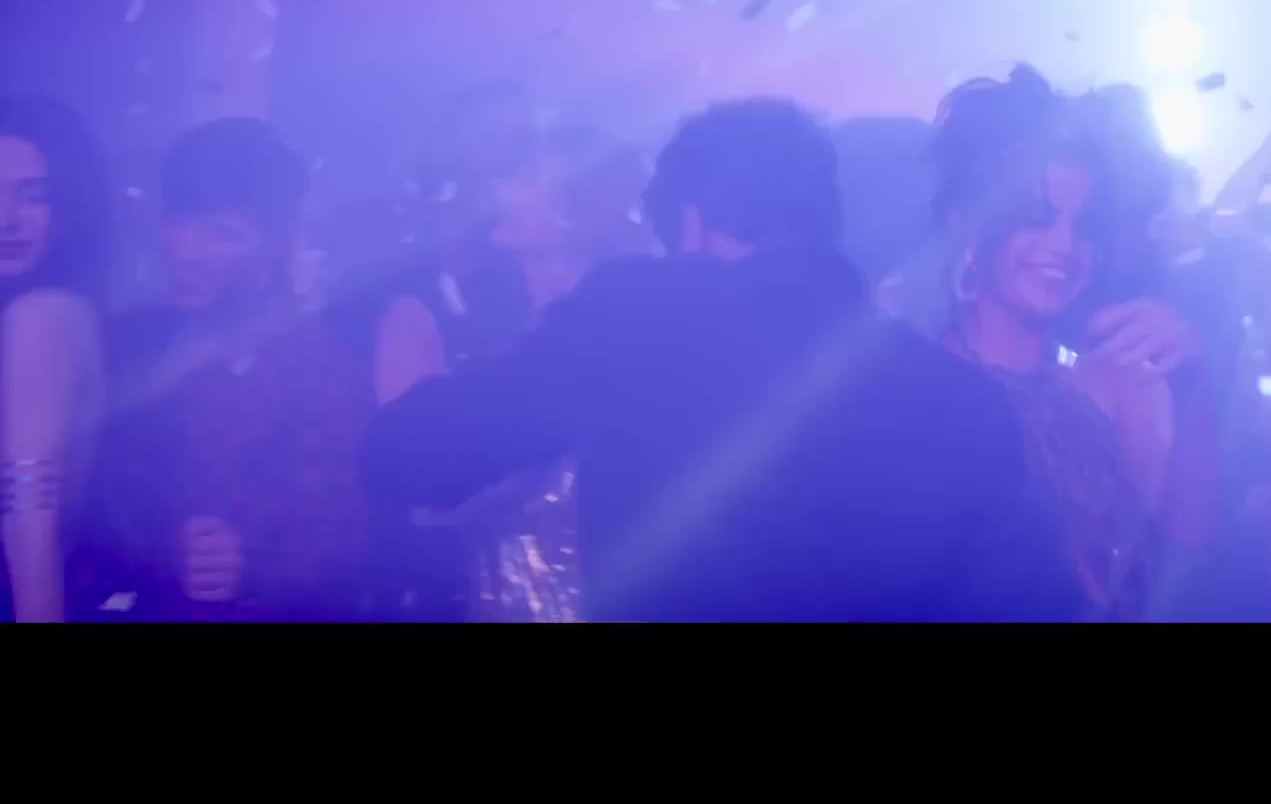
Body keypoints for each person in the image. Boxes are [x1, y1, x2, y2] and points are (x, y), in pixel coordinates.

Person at [364, 97, 1080, 622]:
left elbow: (412, 459)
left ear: (692, 225)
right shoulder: (963, 399)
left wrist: (411, 352)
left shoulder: (641, 315)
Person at [929, 66, 1219, 622]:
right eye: (1035, 218)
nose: (1063, 245)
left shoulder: (1108, 379)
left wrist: (1191, 384)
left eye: (1082, 225)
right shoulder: (919, 379)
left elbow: (1191, 540)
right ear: (967, 220)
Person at [80, 118, 376, 622]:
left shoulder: (323, 367)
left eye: (224, 234)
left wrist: (252, 566)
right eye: (180, 222)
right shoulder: (127, 347)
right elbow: (91, 500)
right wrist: (161, 543)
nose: (188, 252)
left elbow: (346, 533)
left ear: (279, 244)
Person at [369, 120, 647, 623]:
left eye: (524, 175)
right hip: (472, 592)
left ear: (580, 208)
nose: (500, 187)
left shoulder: (628, 324)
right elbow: (413, 489)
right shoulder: (449, 315)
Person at [0, 96, 109, 623]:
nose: (6, 219)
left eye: (34, 196)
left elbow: (28, 506)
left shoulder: (41, 316)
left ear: (70, 206)